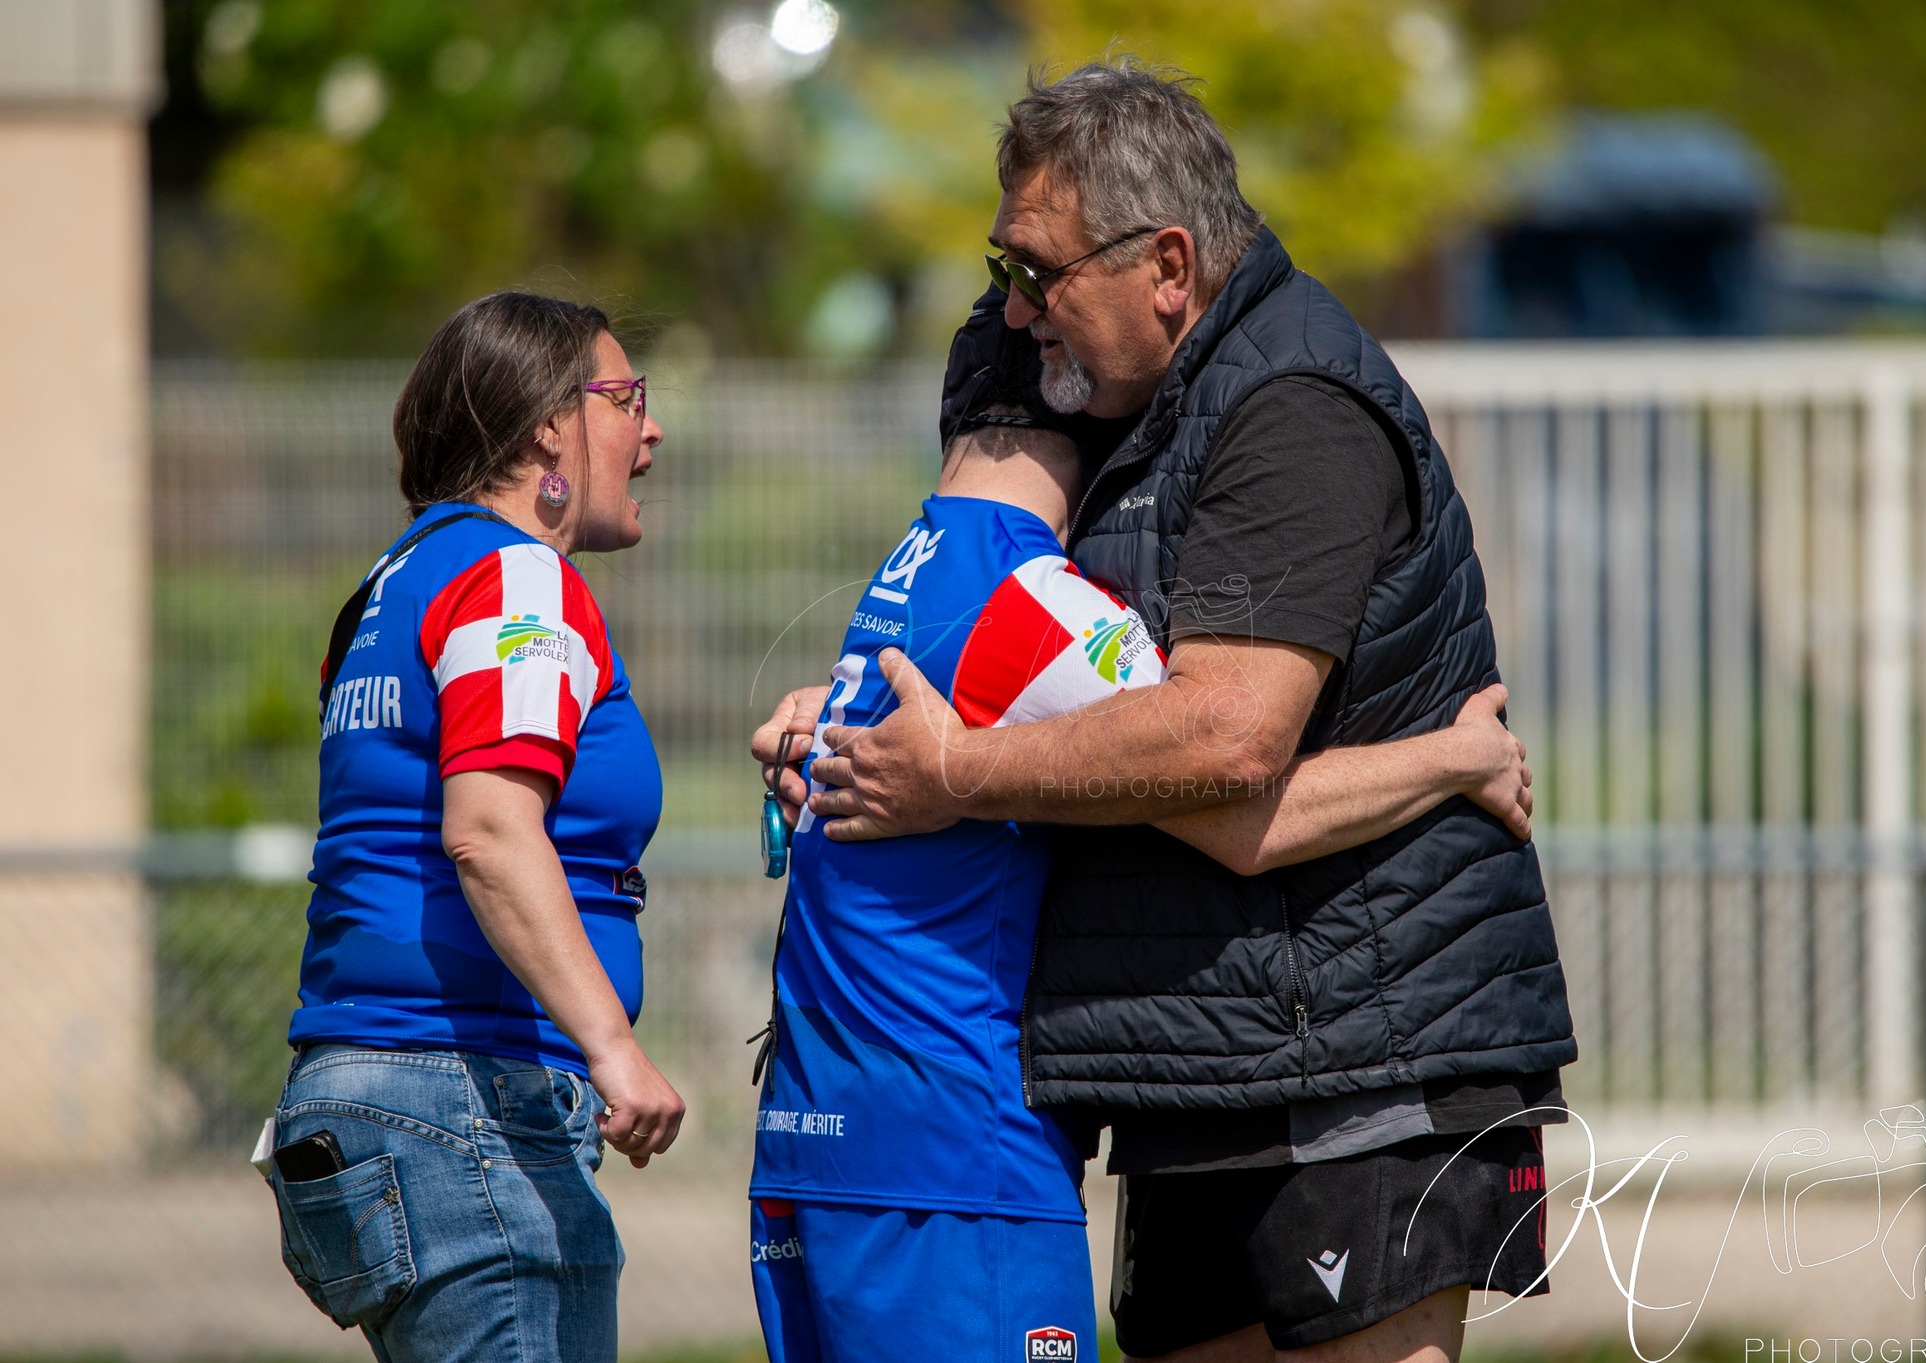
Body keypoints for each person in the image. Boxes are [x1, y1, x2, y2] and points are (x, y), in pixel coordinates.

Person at [757, 61, 1576, 1362]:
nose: (1014, 313)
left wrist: (958, 767)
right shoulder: (1145, 412)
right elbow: (1059, 682)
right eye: (999, 267)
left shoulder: (1290, 405)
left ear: (1171, 264)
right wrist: (845, 710)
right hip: (1204, 1061)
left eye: (1039, 273)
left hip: (1354, 1060)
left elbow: (1226, 739)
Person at [267, 291, 684, 1362]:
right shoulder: (515, 576)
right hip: (464, 1104)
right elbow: (490, 830)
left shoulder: (388, 585)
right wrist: (615, 1050)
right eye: (625, 398)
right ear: (550, 425)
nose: (650, 431)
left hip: (362, 1090)